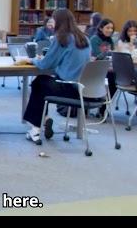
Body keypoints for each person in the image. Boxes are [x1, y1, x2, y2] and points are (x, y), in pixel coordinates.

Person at [21, 9, 91, 144]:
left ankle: (36, 129)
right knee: (42, 83)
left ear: (58, 21)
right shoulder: (84, 38)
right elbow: (71, 61)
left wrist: (33, 60)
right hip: (86, 90)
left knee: (39, 83)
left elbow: (45, 64)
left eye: (53, 20)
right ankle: (44, 119)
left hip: (69, 88)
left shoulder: (62, 38)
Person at [89, 18, 117, 116]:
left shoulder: (110, 40)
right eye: (107, 28)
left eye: (112, 28)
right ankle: (100, 105)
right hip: (95, 68)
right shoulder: (94, 39)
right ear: (101, 28)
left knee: (115, 80)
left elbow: (113, 55)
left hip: (108, 68)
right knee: (111, 79)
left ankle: (103, 107)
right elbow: (97, 56)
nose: (110, 30)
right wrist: (108, 53)